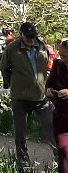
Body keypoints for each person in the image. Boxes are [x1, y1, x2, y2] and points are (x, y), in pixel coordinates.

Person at [0, 22, 58, 171]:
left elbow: (47, 64)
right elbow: (4, 67)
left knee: (51, 128)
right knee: (20, 132)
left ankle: (61, 158)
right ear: (21, 35)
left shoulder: (41, 47)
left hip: (40, 96)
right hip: (20, 97)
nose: (31, 40)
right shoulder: (12, 49)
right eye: (28, 37)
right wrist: (12, 84)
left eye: (33, 36)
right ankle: (23, 163)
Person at [46, 39, 68, 173]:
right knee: (64, 152)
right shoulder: (58, 64)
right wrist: (49, 89)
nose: (62, 58)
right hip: (61, 117)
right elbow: (50, 83)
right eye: (61, 54)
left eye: (65, 55)